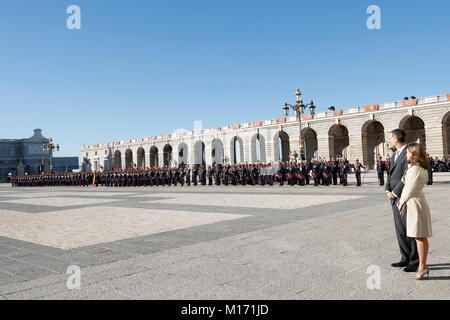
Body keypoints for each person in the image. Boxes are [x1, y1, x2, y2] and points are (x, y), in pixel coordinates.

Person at [396, 143, 432, 280]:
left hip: (414, 202)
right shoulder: (416, 168)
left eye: (407, 152)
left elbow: (408, 189)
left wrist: (400, 203)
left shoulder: (416, 169)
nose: (406, 154)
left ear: (413, 153)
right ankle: (424, 265)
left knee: (419, 236)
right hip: (417, 201)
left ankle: (422, 267)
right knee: (420, 236)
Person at [385, 129, 419, 272]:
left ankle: (414, 260)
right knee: (400, 229)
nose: (390, 140)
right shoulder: (395, 154)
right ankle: (404, 257)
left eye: (390, 137)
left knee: (409, 228)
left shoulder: (408, 152)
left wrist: (395, 192)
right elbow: (390, 174)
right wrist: (387, 189)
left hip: (403, 196)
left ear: (396, 138)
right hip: (393, 197)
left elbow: (407, 174)